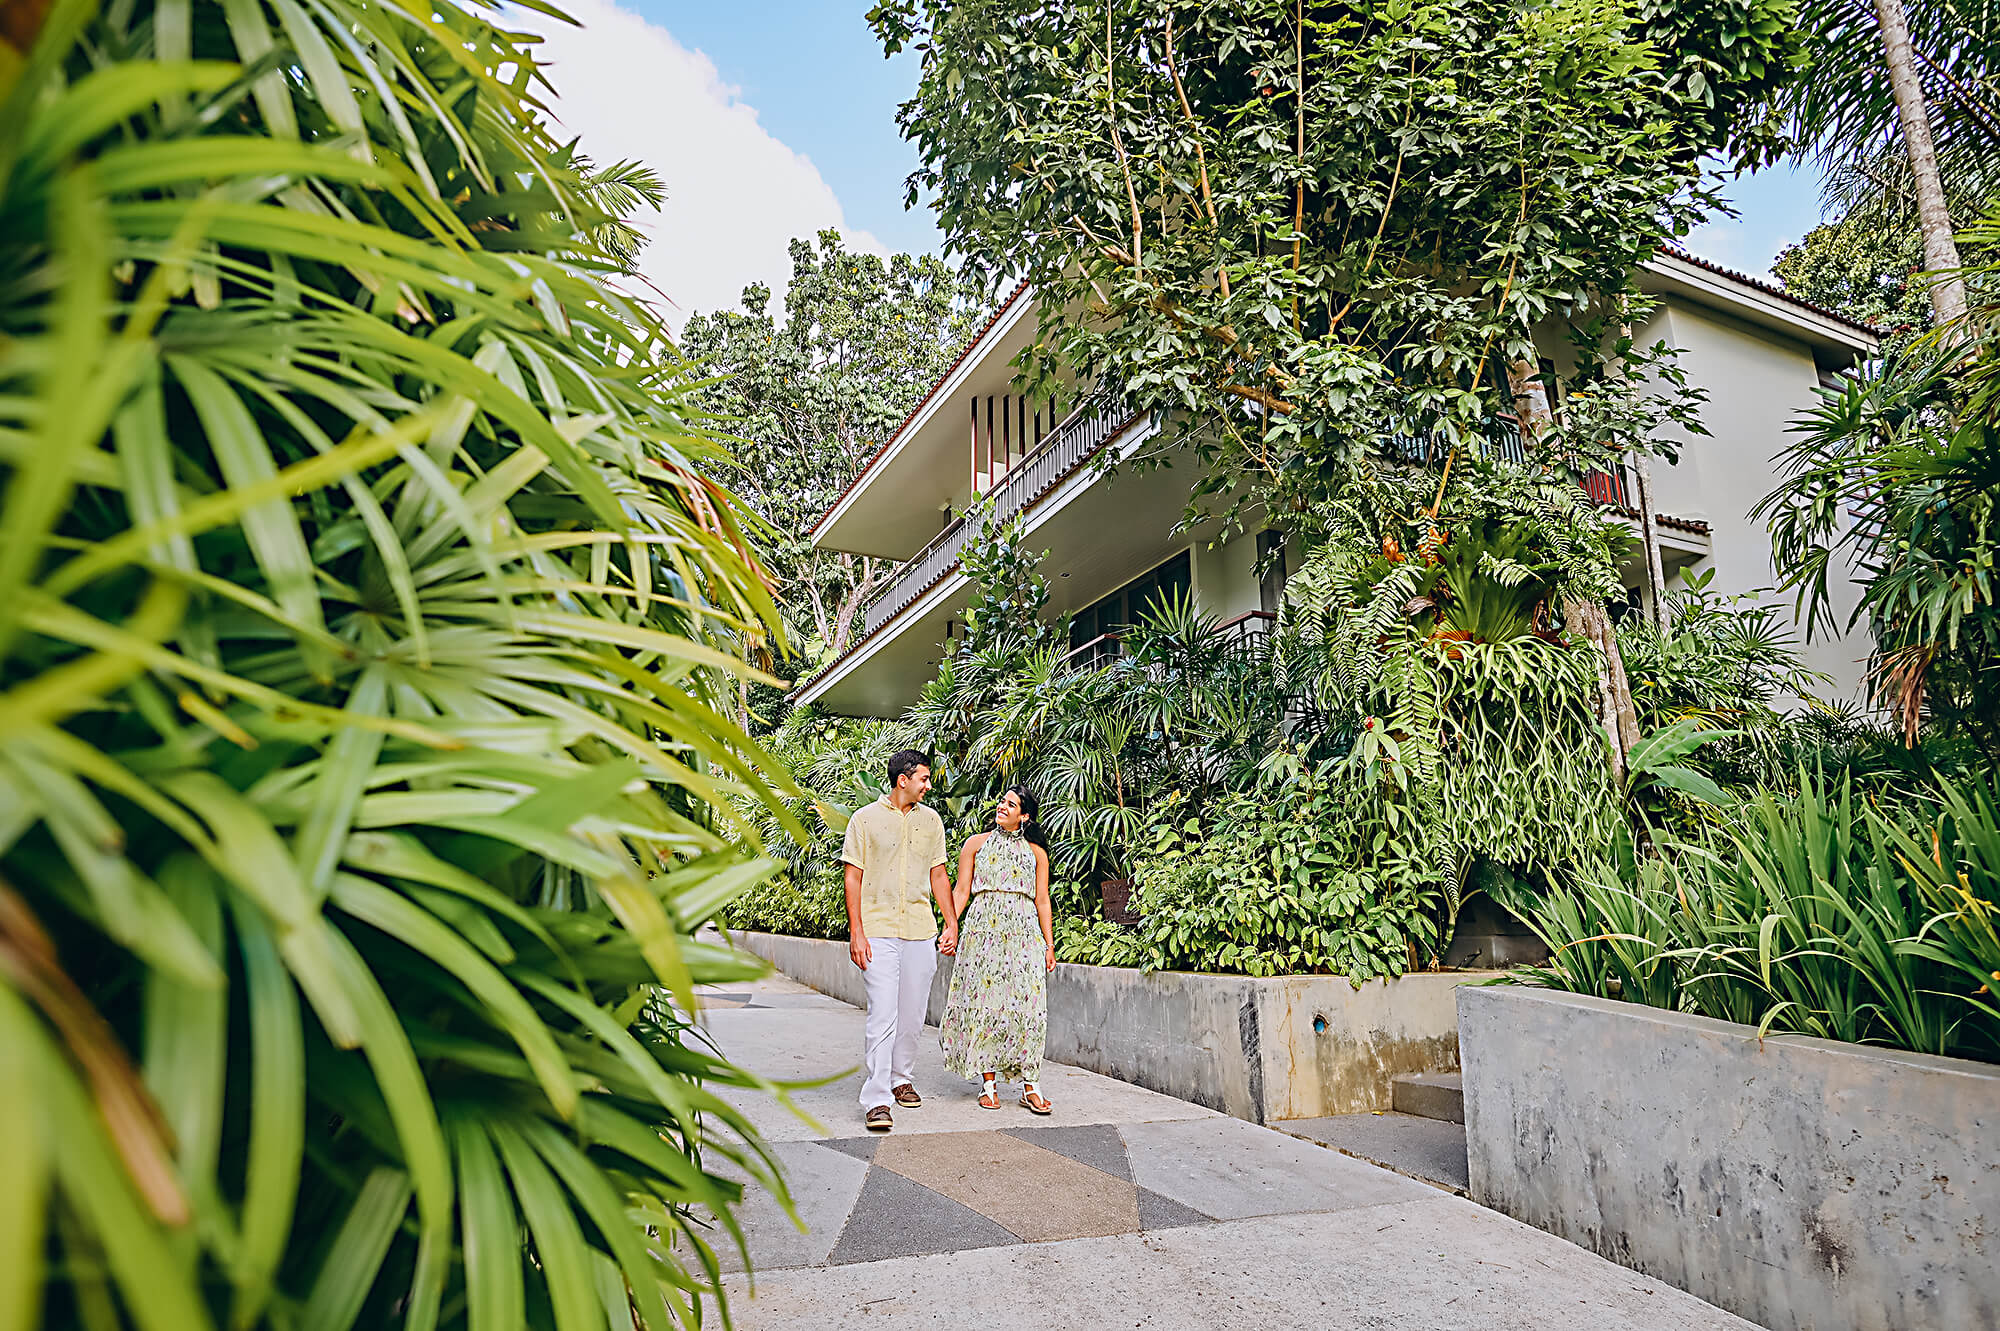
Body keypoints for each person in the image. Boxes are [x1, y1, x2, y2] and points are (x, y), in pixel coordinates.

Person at [841, 749, 959, 1133]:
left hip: (920, 928)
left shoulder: (932, 821)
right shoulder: (864, 820)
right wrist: (856, 930)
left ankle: (900, 1077)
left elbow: (939, 876)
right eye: (923, 778)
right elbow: (853, 877)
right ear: (902, 779)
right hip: (877, 928)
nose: (928, 785)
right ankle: (877, 1099)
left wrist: (950, 923)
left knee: (912, 1012)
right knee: (882, 1012)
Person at [939, 785, 1056, 1115]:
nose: (1002, 807)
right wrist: (950, 925)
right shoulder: (975, 845)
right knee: (986, 1005)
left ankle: (1029, 1084)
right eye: (1002, 801)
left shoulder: (1036, 853)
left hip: (1024, 933)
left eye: (1011, 804)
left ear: (1025, 815)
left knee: (1029, 1009)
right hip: (982, 932)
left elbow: (1042, 900)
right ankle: (987, 1084)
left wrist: (1048, 945)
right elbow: (961, 890)